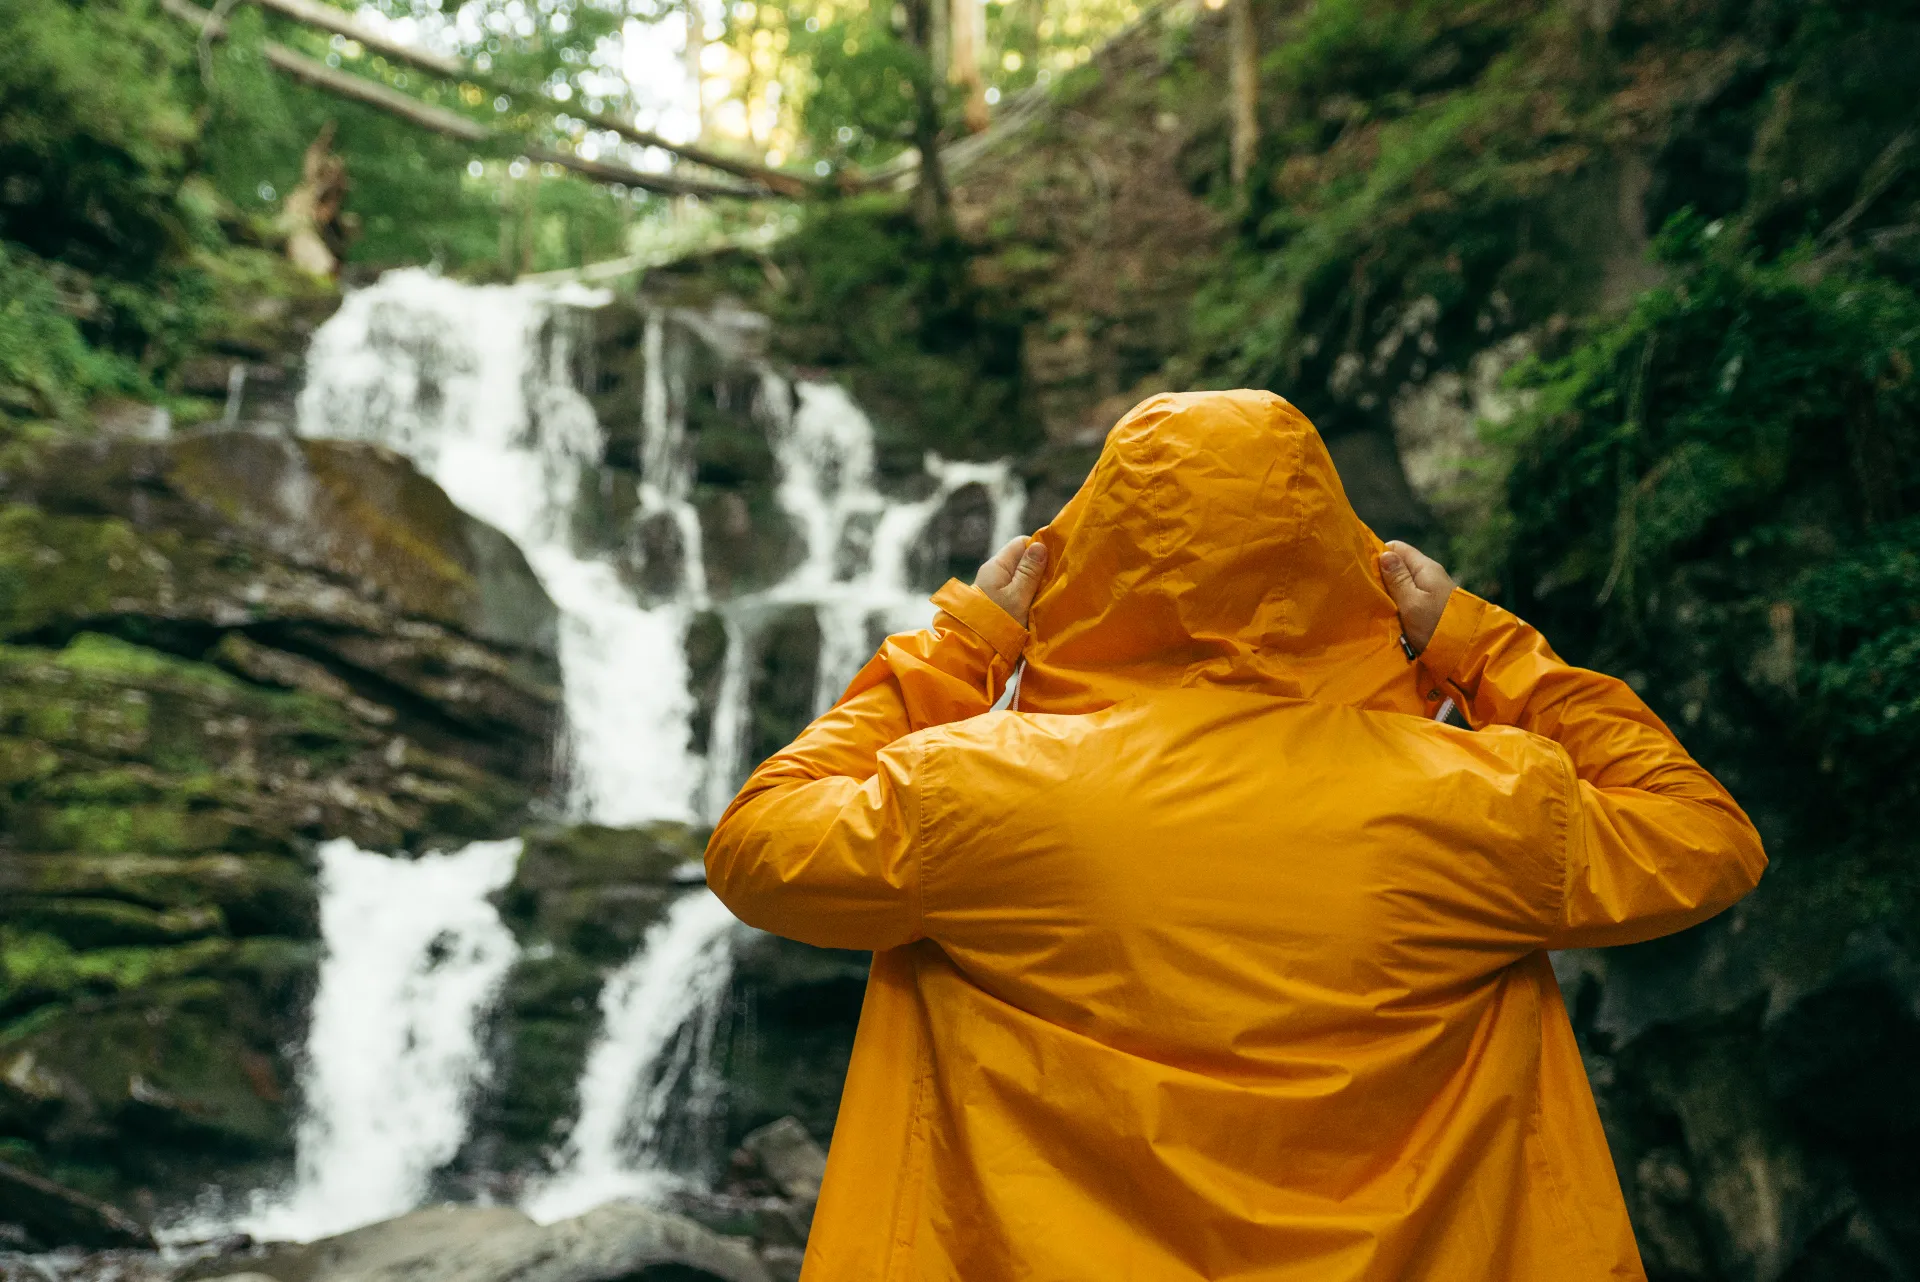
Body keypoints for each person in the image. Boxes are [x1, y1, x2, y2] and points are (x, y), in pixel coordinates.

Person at [705, 389, 1765, 1281]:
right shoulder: (1478, 797)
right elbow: (1705, 838)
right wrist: (1479, 648)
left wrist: (960, 649)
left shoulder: (973, 791)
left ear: (1083, 560)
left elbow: (756, 844)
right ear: (1344, 561)